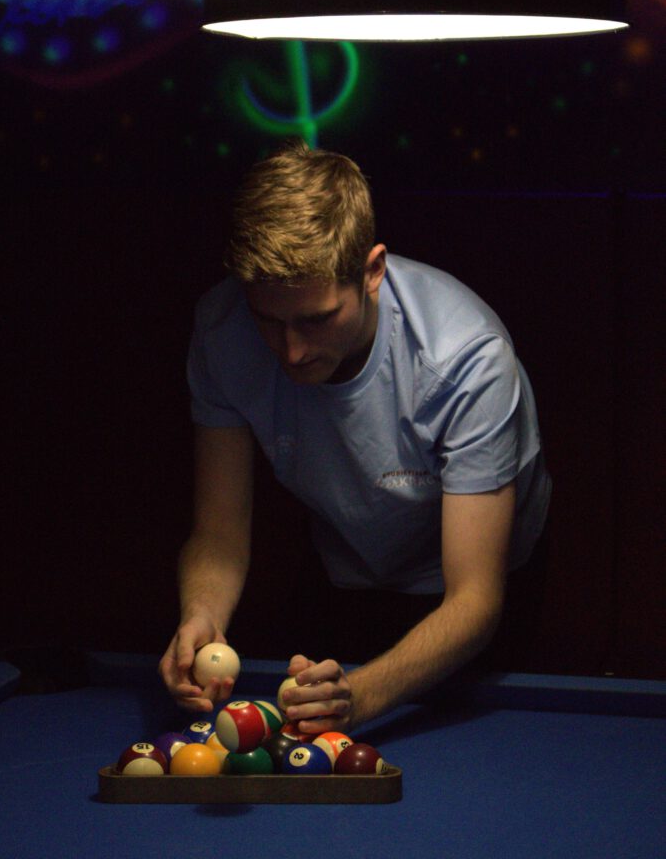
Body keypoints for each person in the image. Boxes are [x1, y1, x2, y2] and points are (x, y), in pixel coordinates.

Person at [159, 139, 551, 734]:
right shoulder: (223, 332)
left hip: (481, 594)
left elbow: (474, 600)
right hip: (349, 566)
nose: (292, 351)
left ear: (372, 272)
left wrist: (359, 698)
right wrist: (202, 614)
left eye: (316, 319)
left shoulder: (467, 361)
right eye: (269, 319)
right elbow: (219, 533)